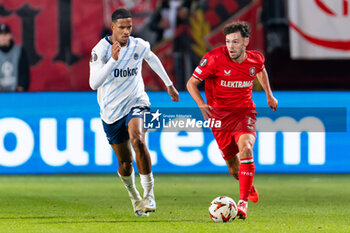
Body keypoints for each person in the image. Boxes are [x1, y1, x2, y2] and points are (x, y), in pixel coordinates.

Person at [89, 8, 179, 217]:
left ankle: (149, 195)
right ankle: (135, 196)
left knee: (138, 139)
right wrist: (112, 60)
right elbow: (94, 84)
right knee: (125, 163)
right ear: (112, 27)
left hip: (136, 101)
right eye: (122, 27)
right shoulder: (100, 50)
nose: (126, 31)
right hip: (111, 112)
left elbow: (152, 57)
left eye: (129, 27)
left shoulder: (139, 44)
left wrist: (169, 84)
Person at [186, 21, 278, 219]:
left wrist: (269, 95)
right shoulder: (213, 59)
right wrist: (202, 105)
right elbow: (191, 83)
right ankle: (248, 185)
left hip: (244, 113)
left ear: (246, 41)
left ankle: (242, 203)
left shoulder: (255, 58)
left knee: (246, 148)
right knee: (234, 168)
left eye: (235, 41)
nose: (231, 46)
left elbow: (260, 70)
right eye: (228, 41)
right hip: (219, 119)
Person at [0, 23, 30, 92]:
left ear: (10, 36)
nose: (3, 37)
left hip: (17, 95)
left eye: (5, 34)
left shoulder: (19, 50)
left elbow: (24, 71)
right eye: (1, 34)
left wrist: (22, 85)